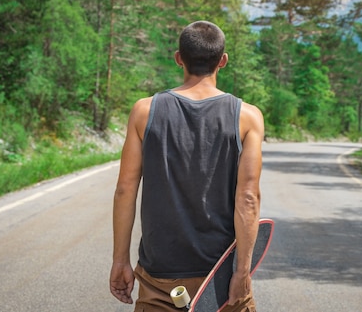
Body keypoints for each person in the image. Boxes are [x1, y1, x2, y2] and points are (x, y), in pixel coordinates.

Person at [109, 20, 264, 312]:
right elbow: (248, 198)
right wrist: (242, 271)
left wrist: (120, 260)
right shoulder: (248, 117)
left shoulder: (144, 111)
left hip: (160, 278)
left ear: (179, 58)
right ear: (223, 61)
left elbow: (125, 190)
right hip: (222, 277)